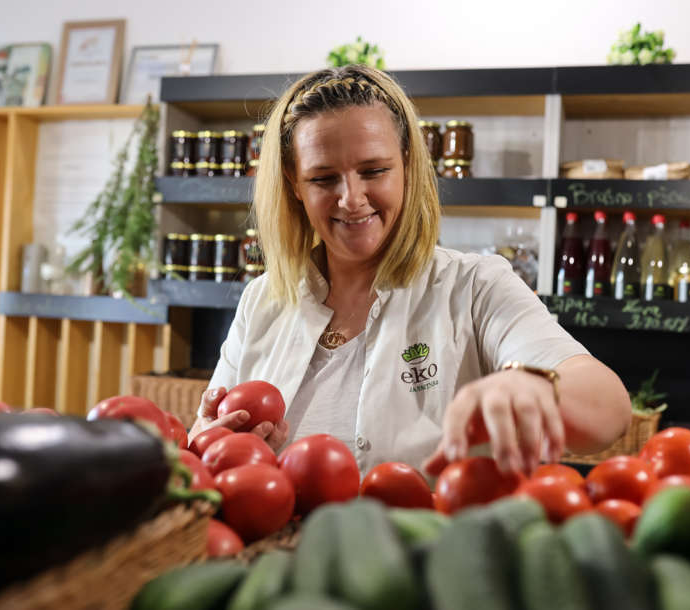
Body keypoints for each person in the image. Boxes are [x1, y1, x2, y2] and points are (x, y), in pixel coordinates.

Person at [188, 65, 630, 476]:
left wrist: (539, 389)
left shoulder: (476, 286)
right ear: (293, 184)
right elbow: (206, 449)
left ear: (407, 166)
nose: (351, 198)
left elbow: (609, 408)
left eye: (374, 170)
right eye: (323, 179)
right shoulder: (262, 300)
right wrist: (214, 442)